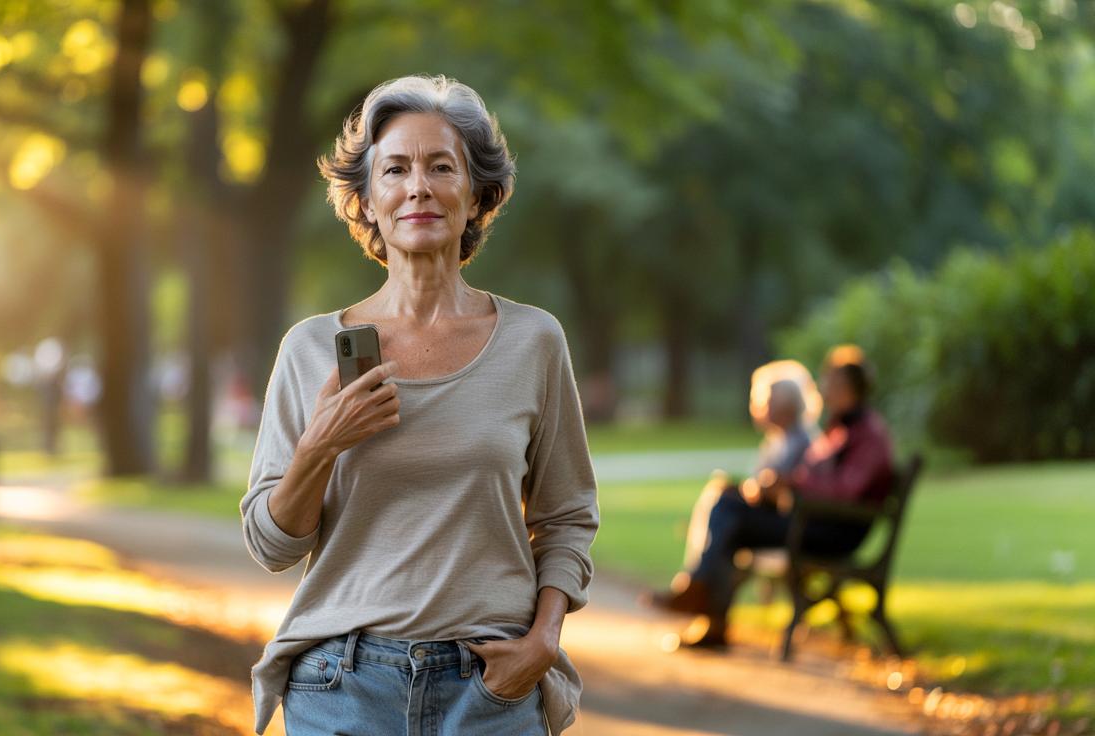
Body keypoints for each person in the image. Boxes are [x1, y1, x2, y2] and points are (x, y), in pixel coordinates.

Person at [240, 74, 600, 736]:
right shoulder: (310, 349)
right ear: (366, 201)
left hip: (488, 690)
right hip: (342, 686)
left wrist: (543, 642)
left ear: (477, 194)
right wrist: (320, 445)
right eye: (395, 169)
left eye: (441, 167)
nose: (418, 187)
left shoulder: (534, 342)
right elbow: (272, 545)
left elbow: (566, 516)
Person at [640, 356, 893, 649]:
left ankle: (700, 594)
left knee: (729, 514)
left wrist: (791, 485)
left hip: (830, 532)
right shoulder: (840, 430)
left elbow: (844, 491)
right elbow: (816, 480)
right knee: (728, 506)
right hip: (814, 522)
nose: (823, 390)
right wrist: (780, 486)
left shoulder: (867, 434)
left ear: (848, 388)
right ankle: (706, 608)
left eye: (830, 383)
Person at [679, 361, 820, 572]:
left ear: (784, 405)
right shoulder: (779, 440)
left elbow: (779, 489)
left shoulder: (800, 442)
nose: (759, 408)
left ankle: (700, 579)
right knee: (723, 508)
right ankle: (701, 580)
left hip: (790, 524)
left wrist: (751, 488)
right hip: (779, 518)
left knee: (725, 516)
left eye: (767, 401)